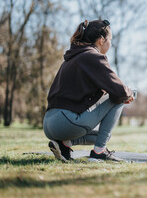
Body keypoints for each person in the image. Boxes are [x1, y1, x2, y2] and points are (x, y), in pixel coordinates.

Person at [43, 19, 134, 162]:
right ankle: (99, 152)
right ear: (101, 40)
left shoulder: (72, 58)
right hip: (65, 122)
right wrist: (129, 93)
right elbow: (120, 91)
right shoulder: (93, 57)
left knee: (104, 135)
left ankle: (64, 144)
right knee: (120, 97)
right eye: (110, 40)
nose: (111, 43)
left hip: (49, 124)